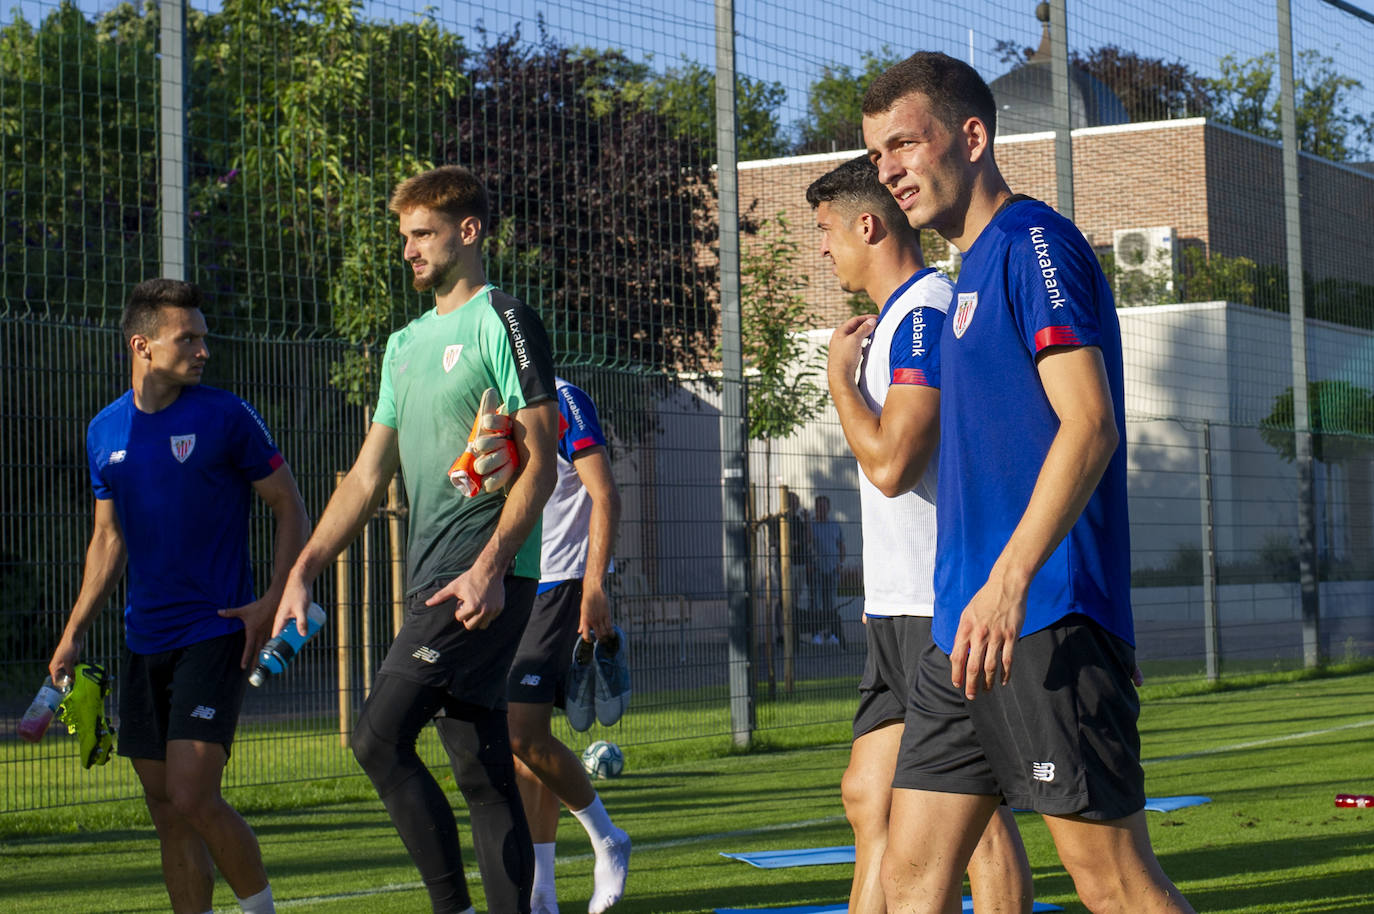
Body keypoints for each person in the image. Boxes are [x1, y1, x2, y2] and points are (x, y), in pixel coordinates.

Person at [861, 52, 1196, 913]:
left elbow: (1089, 426)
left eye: (904, 144)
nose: (889, 171)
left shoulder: (1035, 244)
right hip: (960, 634)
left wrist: (1009, 583)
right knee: (907, 882)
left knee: (1113, 884)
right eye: (876, 155)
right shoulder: (965, 275)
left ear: (972, 135)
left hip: (1044, 620)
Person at [273, 165, 559, 914]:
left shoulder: (505, 320)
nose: (408, 250)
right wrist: (304, 568)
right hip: (433, 579)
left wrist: (493, 568)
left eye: (422, 233)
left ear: (468, 232)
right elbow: (368, 477)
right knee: (481, 770)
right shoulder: (403, 346)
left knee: (377, 738)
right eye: (403, 237)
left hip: (482, 580)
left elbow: (543, 461)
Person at [809, 155, 1031, 914]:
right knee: (868, 796)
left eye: (826, 232)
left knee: (978, 823)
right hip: (895, 611)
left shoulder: (927, 309)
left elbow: (895, 464)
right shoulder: (893, 317)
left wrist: (838, 382)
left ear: (865, 226)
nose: (824, 251)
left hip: (943, 608)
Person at [47, 278, 309, 914]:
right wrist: (73, 632)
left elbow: (291, 508)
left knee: (193, 795)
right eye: (186, 338)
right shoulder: (103, 431)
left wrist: (273, 600)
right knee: (166, 809)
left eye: (203, 336)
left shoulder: (225, 415)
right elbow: (107, 541)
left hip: (216, 629)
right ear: (143, 346)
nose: (202, 349)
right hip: (145, 640)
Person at [507, 377, 631, 914]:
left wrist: (594, 584)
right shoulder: (482, 400)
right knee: (522, 753)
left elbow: (604, 494)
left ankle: (607, 838)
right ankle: (543, 895)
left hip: (557, 584)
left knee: (522, 732)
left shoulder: (562, 397)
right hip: (506, 587)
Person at [808, 495, 846, 646]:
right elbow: (808, 545)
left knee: (830, 604)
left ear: (828, 508)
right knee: (816, 603)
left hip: (832, 570)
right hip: (817, 569)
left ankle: (830, 634)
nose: (821, 509)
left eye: (824, 506)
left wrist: (840, 563)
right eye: (819, 507)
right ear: (816, 508)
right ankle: (816, 634)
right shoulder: (810, 525)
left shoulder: (835, 525)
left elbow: (841, 545)